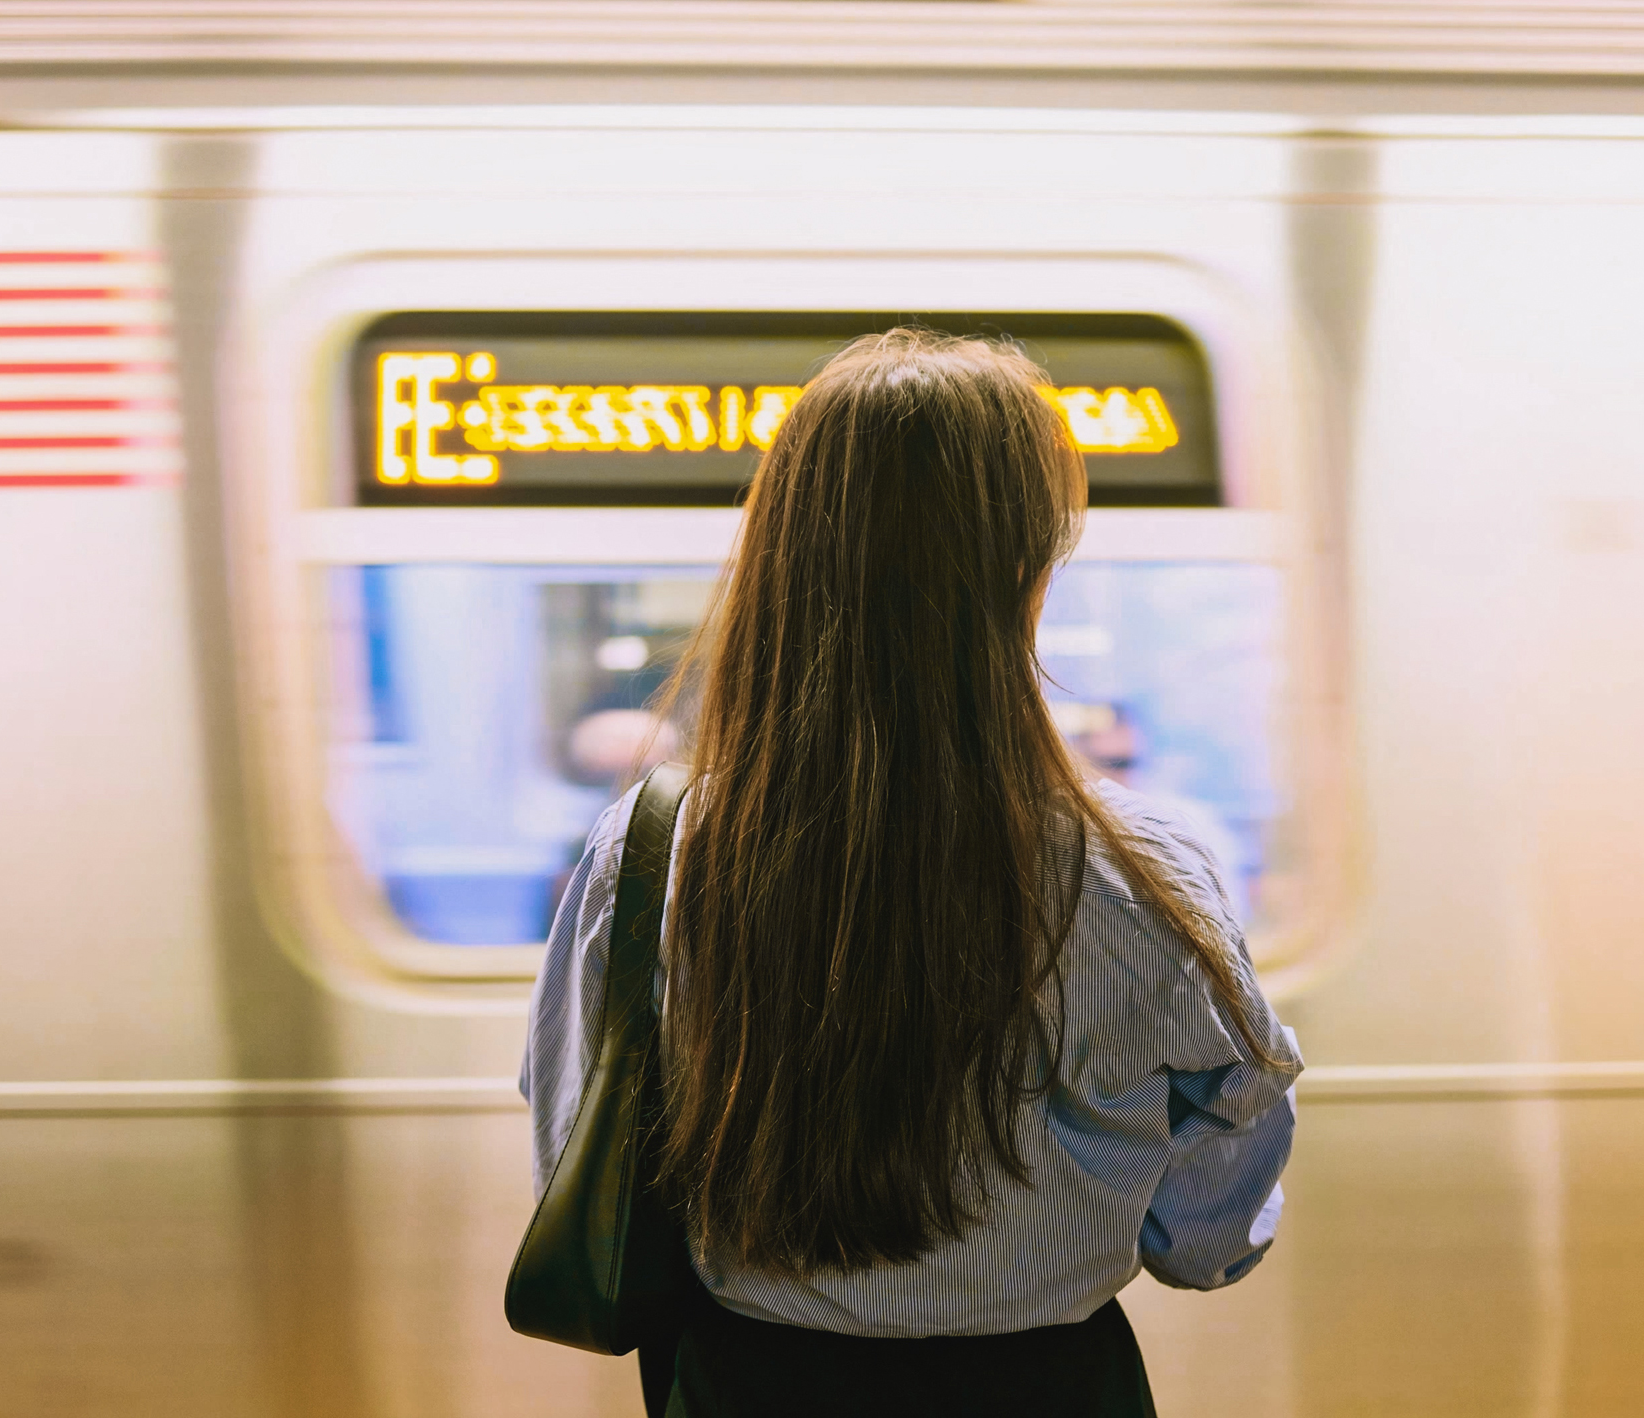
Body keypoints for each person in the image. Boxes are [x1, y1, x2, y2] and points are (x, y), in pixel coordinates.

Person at [519, 329, 1303, 1418]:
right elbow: (1208, 1238)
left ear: (783, 551)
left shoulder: (651, 853)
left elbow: (572, 1141)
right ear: (1026, 569)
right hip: (1043, 1391)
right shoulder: (1139, 877)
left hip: (749, 1387)